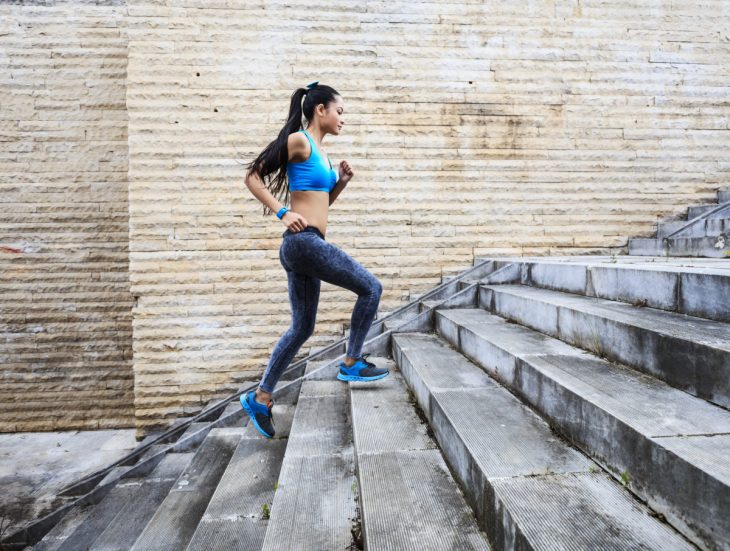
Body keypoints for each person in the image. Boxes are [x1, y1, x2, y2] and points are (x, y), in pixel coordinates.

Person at [239, 81, 389, 438]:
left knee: (302, 328)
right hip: (301, 243)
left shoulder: (320, 154)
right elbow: (252, 176)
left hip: (307, 244)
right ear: (320, 110)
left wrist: (341, 183)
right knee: (371, 288)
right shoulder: (299, 141)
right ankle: (351, 362)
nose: (343, 119)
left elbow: (320, 208)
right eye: (339, 111)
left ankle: (261, 397)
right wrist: (281, 212)